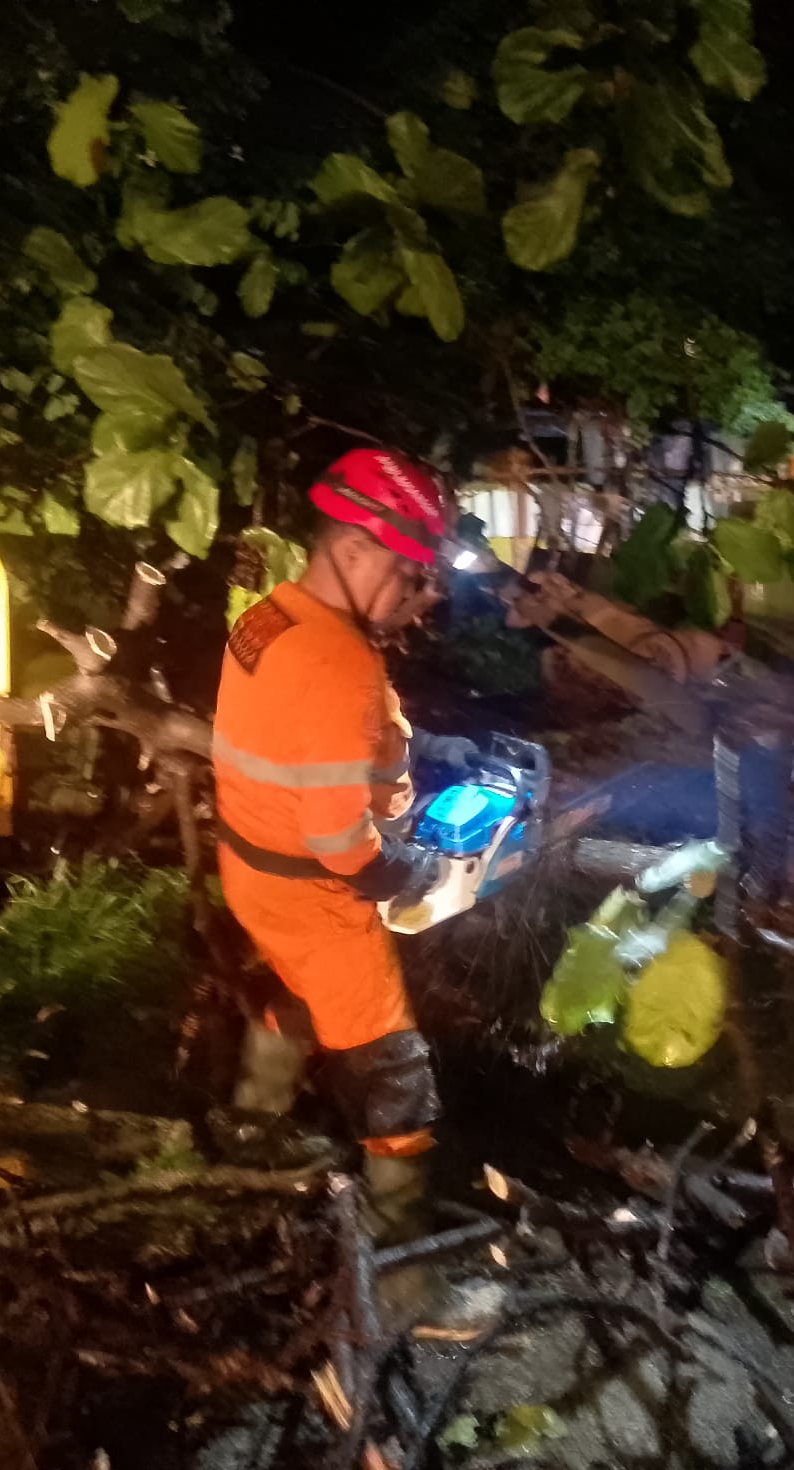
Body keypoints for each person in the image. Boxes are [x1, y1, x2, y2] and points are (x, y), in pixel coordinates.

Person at [212, 447, 475, 1231]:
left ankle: (251, 1140)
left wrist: (414, 748)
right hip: (318, 896)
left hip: (252, 870)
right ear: (355, 549)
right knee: (394, 1073)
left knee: (298, 993)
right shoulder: (340, 660)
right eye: (405, 574)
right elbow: (338, 839)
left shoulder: (269, 616)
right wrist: (399, 870)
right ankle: (401, 1261)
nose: (413, 595)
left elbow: (303, 733)